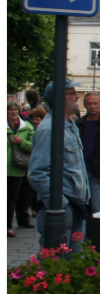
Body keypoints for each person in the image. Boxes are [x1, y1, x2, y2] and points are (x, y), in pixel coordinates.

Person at [28, 80, 89, 251]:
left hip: (75, 206)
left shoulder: (69, 125)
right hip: (62, 208)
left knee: (74, 262)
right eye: (72, 93)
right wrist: (60, 204)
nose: (77, 96)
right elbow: (37, 173)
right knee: (54, 265)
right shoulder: (49, 130)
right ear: (59, 98)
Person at [7, 101, 35, 237]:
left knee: (12, 198)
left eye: (15, 109)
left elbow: (33, 146)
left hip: (18, 168)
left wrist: (21, 143)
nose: (12, 112)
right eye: (9, 109)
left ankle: (8, 226)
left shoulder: (27, 127)